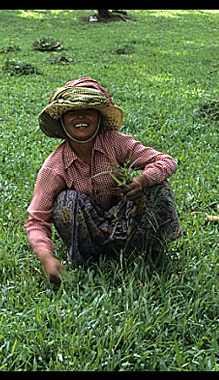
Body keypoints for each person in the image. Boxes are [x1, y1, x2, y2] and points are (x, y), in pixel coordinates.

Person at [25, 77, 182, 284]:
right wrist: (47, 257)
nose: (80, 116)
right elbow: (36, 220)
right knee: (66, 201)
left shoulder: (116, 143)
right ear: (62, 120)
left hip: (129, 225)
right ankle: (88, 260)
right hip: (91, 237)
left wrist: (143, 180)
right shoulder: (55, 167)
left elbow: (165, 161)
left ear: (99, 117)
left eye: (88, 110)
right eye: (72, 111)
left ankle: (150, 251)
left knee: (158, 186)